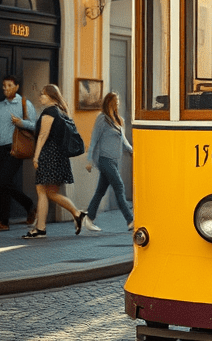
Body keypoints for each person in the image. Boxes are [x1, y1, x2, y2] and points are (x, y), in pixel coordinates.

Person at [24, 84, 93, 239]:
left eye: (43, 94)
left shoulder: (49, 112)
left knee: (42, 192)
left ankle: (40, 229)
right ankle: (77, 213)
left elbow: (43, 136)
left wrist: (36, 156)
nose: (40, 97)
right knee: (50, 193)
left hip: (49, 155)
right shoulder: (61, 112)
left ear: (51, 96)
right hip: (58, 156)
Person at [0, 75, 37, 232]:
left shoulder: (25, 105)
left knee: (4, 181)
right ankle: (4, 222)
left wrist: (21, 123)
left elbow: (35, 125)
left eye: (8, 85)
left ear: (16, 87)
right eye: (3, 86)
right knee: (3, 185)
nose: (5, 88)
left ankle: (27, 205)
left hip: (15, 150)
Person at [85, 92, 134, 231]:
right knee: (119, 186)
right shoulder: (102, 119)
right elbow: (94, 139)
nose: (118, 103)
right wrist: (89, 160)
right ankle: (130, 220)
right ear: (109, 102)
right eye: (115, 100)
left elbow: (123, 140)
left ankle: (89, 219)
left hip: (114, 160)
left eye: (118, 100)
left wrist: (132, 151)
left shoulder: (118, 119)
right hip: (104, 160)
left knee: (100, 191)